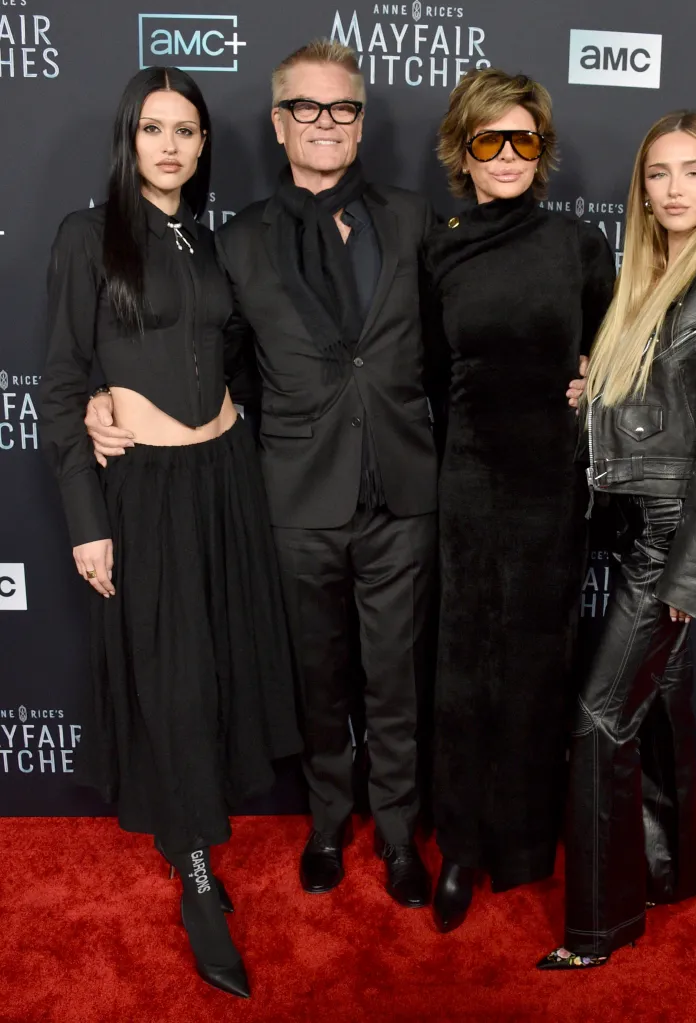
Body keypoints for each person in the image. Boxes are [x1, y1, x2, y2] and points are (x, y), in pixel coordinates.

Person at [86, 40, 437, 909]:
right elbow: (205, 354)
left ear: (361, 123)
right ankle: (326, 823)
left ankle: (396, 833)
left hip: (403, 492)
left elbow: (471, 338)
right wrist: (105, 395)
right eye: (308, 109)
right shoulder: (233, 242)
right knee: (316, 680)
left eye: (344, 109)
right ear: (279, 124)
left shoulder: (415, 219)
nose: (327, 124)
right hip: (292, 497)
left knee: (394, 679)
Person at [39, 67, 303, 998]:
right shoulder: (88, 237)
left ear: (202, 144)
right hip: (140, 491)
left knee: (224, 661)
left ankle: (201, 835)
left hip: (225, 476)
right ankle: (195, 875)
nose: (170, 146)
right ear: (129, 137)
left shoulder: (212, 241)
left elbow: (241, 357)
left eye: (186, 130)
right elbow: (64, 386)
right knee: (174, 676)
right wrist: (86, 520)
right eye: (153, 128)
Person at [538, 110, 696, 970]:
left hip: (672, 542)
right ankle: (670, 872)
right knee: (658, 709)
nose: (674, 190)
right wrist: (594, 398)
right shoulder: (648, 281)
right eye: (658, 175)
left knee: (599, 717)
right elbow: (662, 409)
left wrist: (693, 576)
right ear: (642, 189)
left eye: (693, 173)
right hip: (643, 524)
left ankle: (598, 928)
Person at [423, 68, 615, 933]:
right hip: (467, 479)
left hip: (551, 485)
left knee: (539, 662)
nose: (507, 155)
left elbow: (609, 357)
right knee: (463, 668)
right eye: (489, 139)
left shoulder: (579, 245)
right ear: (464, 150)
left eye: (524, 139)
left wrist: (591, 386)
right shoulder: (440, 244)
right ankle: (460, 846)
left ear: (543, 150)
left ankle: (528, 844)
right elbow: (426, 370)